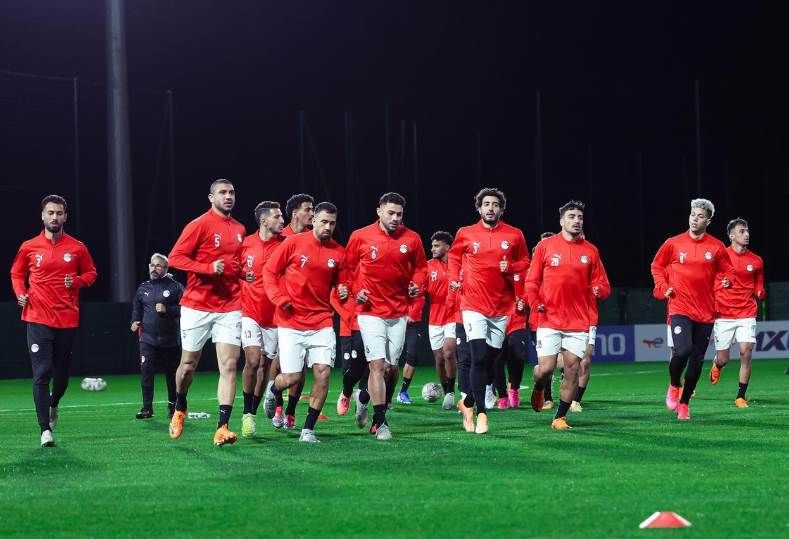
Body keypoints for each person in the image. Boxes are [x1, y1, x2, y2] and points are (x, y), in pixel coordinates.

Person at [11, 194, 97, 447]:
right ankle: (45, 430)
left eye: (59, 213)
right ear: (42, 215)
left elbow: (91, 273)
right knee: (41, 373)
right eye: (50, 212)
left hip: (67, 318)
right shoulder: (29, 246)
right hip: (37, 316)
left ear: (65, 217)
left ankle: (54, 403)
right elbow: (16, 273)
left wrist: (77, 281)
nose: (54, 217)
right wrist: (21, 293)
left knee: (61, 376)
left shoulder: (77, 247)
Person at [167, 178, 245, 446]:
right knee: (188, 366)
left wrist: (243, 273)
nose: (228, 196)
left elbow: (235, 264)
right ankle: (180, 404)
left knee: (230, 365)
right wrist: (208, 268)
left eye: (231, 192)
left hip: (230, 306)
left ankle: (222, 427)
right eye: (222, 192)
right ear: (211, 198)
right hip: (197, 305)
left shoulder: (239, 228)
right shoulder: (199, 224)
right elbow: (175, 258)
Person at [263, 202, 348, 443]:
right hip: (291, 322)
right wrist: (279, 298)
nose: (328, 227)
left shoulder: (339, 253)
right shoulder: (293, 243)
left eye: (332, 223)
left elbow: (343, 283)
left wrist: (343, 290)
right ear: (314, 220)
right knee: (292, 378)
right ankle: (273, 389)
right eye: (324, 222)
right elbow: (269, 272)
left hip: (322, 322)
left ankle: (308, 430)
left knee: (323, 374)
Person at [346, 192, 428, 440]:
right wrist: (356, 291)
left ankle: (363, 398)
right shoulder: (360, 236)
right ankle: (380, 422)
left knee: (391, 369)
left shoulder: (412, 238)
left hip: (398, 312)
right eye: (390, 213)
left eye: (399, 214)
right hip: (370, 312)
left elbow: (421, 268)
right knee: (378, 365)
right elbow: (347, 269)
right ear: (379, 211)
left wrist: (416, 284)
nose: (395, 218)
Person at [448, 187, 529, 434]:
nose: (490, 208)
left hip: (501, 307)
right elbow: (454, 257)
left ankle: (467, 403)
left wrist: (511, 266)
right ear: (479, 208)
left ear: (501, 209)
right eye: (486, 204)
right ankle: (481, 414)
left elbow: (525, 261)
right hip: (472, 304)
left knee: (492, 360)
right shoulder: (465, 233)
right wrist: (454, 278)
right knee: (479, 356)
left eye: (495, 204)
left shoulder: (514, 234)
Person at [526, 200, 610, 429]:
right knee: (545, 369)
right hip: (549, 318)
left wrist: (599, 290)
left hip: (579, 321)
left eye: (580, 217)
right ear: (561, 221)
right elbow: (531, 281)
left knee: (573, 368)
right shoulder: (545, 247)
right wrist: (535, 302)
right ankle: (539, 386)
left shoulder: (591, 251)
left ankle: (560, 417)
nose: (576, 221)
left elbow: (604, 285)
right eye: (571, 217)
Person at [651, 198, 734, 421]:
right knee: (683, 350)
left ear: (708, 221)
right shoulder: (673, 243)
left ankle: (685, 403)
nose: (695, 219)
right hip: (680, 307)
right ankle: (673, 384)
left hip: (705, 312)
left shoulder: (716, 246)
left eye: (700, 216)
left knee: (696, 361)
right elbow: (656, 266)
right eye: (692, 214)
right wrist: (664, 287)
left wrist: (727, 280)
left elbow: (728, 271)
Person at [264, 193, 315, 429]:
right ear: (295, 213)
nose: (312, 213)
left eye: (313, 209)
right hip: (281, 309)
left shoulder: (315, 238)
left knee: (300, 365)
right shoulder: (280, 237)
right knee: (279, 360)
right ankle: (276, 404)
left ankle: (291, 411)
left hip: (306, 312)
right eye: (308, 209)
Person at [239, 201, 285, 437]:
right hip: (250, 313)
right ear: (264, 220)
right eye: (277, 217)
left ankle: (253, 413)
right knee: (253, 360)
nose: (282, 220)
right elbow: (233, 270)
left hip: (275, 317)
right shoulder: (245, 244)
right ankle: (246, 412)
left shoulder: (286, 245)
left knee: (265, 366)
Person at [708, 218, 765, 407]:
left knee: (746, 351)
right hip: (723, 314)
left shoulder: (756, 260)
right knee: (723, 358)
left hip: (747, 313)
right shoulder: (720, 257)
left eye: (747, 231)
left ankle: (740, 396)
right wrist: (721, 283)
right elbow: (709, 282)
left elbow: (759, 286)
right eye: (742, 231)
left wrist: (760, 292)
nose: (746, 234)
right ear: (731, 236)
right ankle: (717, 364)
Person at [130, 253, 184, 420]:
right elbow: (137, 308)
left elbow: (186, 309)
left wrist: (168, 310)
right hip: (148, 339)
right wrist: (135, 321)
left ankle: (173, 407)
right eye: (152, 265)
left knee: (172, 376)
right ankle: (147, 408)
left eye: (158, 265)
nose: (154, 268)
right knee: (146, 373)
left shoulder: (176, 287)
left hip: (170, 340)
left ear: (166, 268)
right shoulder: (143, 287)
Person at [423, 231, 457, 410]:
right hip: (435, 318)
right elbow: (420, 287)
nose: (433, 249)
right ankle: (446, 390)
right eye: (432, 246)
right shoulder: (428, 266)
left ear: (447, 247)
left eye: (437, 246)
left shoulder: (458, 265)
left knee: (449, 353)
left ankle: (451, 393)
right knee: (438, 359)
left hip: (454, 315)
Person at [396, 293, 425, 405]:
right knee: (389, 362)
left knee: (413, 356)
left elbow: (421, 296)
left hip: (413, 322)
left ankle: (403, 392)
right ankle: (385, 397)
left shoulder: (418, 281)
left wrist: (412, 314)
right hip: (394, 319)